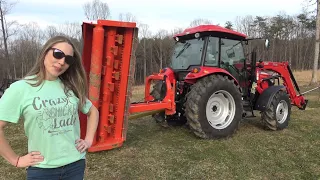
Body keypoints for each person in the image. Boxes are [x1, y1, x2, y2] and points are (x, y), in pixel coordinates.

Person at [0, 35, 99, 179]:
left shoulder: (70, 86)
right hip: (42, 170)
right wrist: (15, 160)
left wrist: (88, 140)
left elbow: (93, 111)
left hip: (75, 164)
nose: (61, 62)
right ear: (45, 52)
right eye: (58, 54)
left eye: (68, 59)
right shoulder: (21, 88)